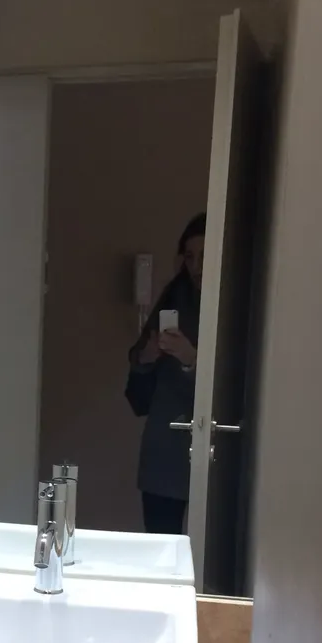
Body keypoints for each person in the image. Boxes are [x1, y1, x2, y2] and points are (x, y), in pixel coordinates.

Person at [128, 213, 206, 535]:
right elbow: (138, 366)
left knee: (211, 552)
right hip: (165, 444)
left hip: (213, 448)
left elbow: (239, 382)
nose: (196, 266)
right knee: (160, 544)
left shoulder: (237, 304)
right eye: (189, 256)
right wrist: (146, 357)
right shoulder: (174, 295)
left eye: (204, 256)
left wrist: (193, 359)